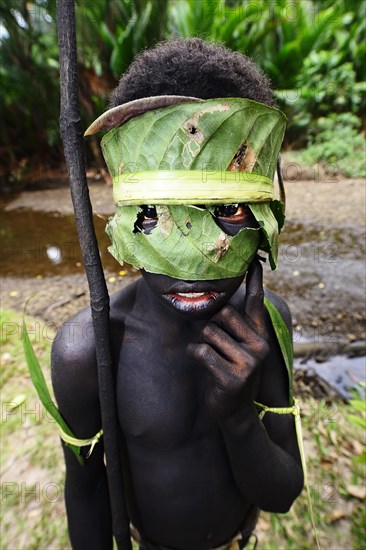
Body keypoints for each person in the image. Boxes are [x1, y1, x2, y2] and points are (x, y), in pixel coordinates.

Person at [51, 38, 304, 550]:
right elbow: (85, 490)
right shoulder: (90, 350)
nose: (193, 263)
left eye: (228, 213)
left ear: (265, 217)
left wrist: (238, 416)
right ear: (123, 216)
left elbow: (281, 493)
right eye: (155, 216)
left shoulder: (268, 325)